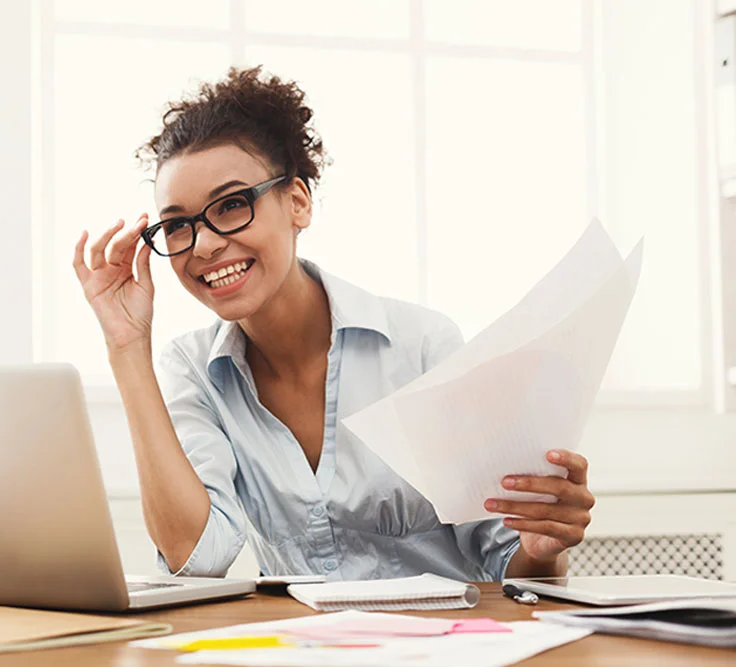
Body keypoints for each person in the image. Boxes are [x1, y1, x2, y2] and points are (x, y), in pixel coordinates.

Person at [73, 66, 594, 581]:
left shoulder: (422, 347)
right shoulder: (192, 370)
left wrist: (542, 548)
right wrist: (126, 346)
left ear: (297, 202)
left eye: (231, 206)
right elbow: (197, 557)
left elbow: (512, 564)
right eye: (178, 224)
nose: (204, 244)